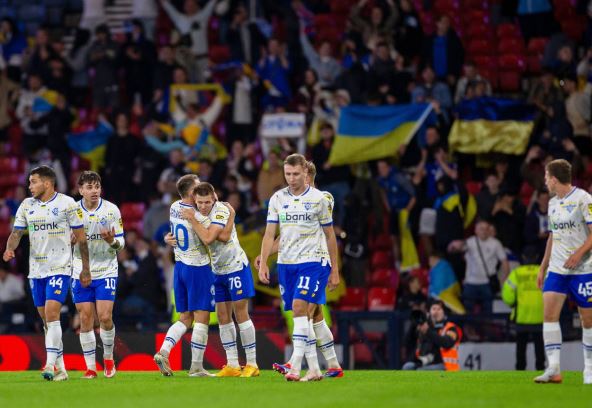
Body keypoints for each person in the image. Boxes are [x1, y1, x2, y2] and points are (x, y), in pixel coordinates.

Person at [2, 166, 90, 381]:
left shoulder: (67, 204)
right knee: (46, 321)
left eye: (33, 182)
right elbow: (16, 233)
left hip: (60, 267)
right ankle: (61, 368)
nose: (29, 186)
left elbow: (81, 238)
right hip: (36, 270)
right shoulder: (26, 205)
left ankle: (49, 365)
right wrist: (9, 248)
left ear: (48, 183)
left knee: (52, 314)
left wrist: (85, 268)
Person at [258, 154, 340, 381]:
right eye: (288, 174)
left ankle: (294, 365)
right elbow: (273, 234)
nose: (291, 178)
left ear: (306, 173)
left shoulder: (321, 199)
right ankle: (322, 366)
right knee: (312, 316)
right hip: (287, 264)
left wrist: (335, 270)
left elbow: (330, 235)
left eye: (296, 174)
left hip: (314, 261)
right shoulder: (277, 198)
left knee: (300, 308)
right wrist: (264, 259)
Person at [171, 182, 259, 377]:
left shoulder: (221, 210)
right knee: (222, 316)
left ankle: (252, 363)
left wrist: (194, 219)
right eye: (200, 202)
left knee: (240, 313)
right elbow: (213, 236)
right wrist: (169, 239)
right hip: (216, 270)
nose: (203, 206)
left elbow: (213, 238)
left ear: (214, 198)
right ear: (195, 200)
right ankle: (233, 364)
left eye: (207, 202)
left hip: (235, 266)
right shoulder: (194, 211)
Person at [535, 159, 592, 384]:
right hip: (558, 269)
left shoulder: (584, 199)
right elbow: (553, 236)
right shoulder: (552, 203)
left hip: (584, 269)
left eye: (546, 177)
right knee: (549, 315)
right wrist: (543, 266)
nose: (545, 181)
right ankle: (554, 369)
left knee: (588, 320)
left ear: (554, 179)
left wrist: (579, 253)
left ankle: (589, 369)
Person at [153, 174, 215, 377]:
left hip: (179, 268)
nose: (201, 188)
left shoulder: (174, 207)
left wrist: (166, 238)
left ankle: (164, 351)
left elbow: (172, 233)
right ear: (191, 193)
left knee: (185, 318)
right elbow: (210, 238)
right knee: (202, 317)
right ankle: (196, 367)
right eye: (198, 187)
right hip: (198, 267)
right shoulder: (198, 215)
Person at [71, 171, 125, 379]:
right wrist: (68, 241)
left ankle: (109, 359)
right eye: (89, 187)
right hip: (80, 269)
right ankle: (91, 368)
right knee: (85, 318)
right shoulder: (72, 211)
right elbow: (61, 241)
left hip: (106, 268)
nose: (94, 191)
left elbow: (121, 244)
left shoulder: (111, 210)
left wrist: (112, 241)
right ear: (81, 190)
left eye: (97, 187)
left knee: (104, 317)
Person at [502, 247, 545, 371]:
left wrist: (512, 304)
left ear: (523, 258)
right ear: (537, 257)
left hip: (522, 316)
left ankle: (520, 369)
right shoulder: (543, 272)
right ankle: (540, 369)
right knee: (539, 346)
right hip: (540, 316)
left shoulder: (516, 273)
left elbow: (507, 294)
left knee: (521, 346)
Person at [402, 300, 462, 371]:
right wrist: (416, 325)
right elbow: (411, 343)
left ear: (444, 312)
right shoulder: (426, 327)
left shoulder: (450, 327)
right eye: (434, 309)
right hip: (426, 362)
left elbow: (446, 343)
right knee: (408, 366)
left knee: (421, 370)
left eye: (439, 309)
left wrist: (428, 331)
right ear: (429, 312)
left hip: (445, 365)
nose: (436, 312)